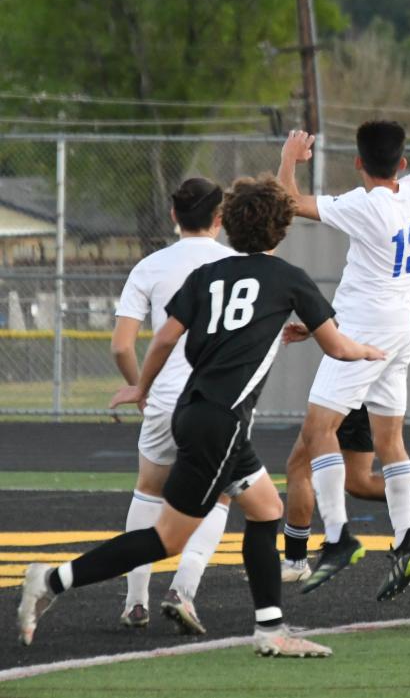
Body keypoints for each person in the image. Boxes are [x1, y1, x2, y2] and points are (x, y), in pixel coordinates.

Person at [18, 174, 385, 657]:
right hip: (221, 422)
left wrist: (140, 387)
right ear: (283, 229)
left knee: (266, 509)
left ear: (228, 224)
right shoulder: (290, 278)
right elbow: (337, 346)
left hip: (193, 410)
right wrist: (367, 351)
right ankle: (50, 580)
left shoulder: (207, 276)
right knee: (167, 538)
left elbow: (166, 338)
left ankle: (270, 629)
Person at [277, 124, 410, 600]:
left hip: (361, 331)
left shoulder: (363, 205)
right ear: (402, 163)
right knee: (391, 442)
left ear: (359, 163)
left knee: (318, 433)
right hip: (402, 325)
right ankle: (405, 542)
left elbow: (288, 203)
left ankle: (338, 537)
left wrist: (289, 159)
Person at [111, 177, 235, 634]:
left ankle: (135, 601)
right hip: (220, 401)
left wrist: (138, 388)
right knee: (219, 494)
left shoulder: (150, 266)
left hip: (165, 399)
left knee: (149, 491)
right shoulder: (236, 264)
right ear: (219, 219)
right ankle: (183, 591)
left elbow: (122, 346)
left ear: (173, 216)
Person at [278, 309, 410, 584]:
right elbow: (400, 325)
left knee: (299, 465)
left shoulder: (376, 274)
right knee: (359, 480)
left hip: (351, 379)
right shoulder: (388, 286)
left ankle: (297, 560)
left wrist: (369, 348)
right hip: (372, 385)